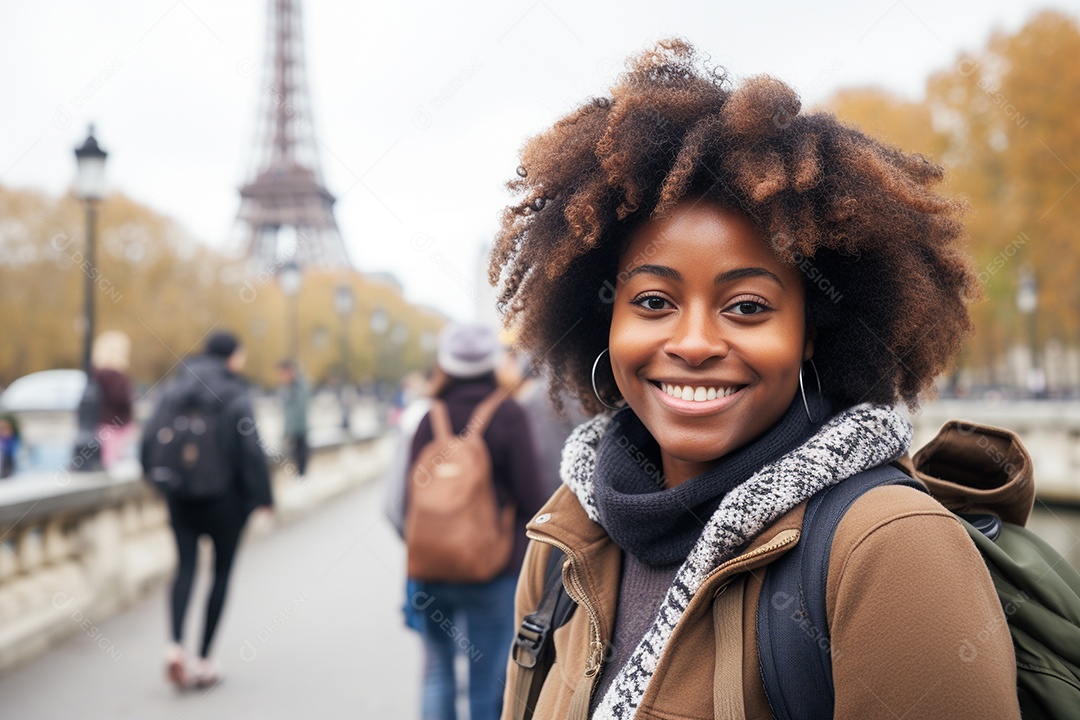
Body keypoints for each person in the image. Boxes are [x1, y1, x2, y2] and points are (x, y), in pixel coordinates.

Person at [490, 40, 1020, 719]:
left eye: (747, 307)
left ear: (811, 334)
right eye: (653, 301)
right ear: (604, 318)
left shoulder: (888, 553)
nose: (694, 343)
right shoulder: (564, 538)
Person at [406, 323, 548, 720]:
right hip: (493, 567)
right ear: (492, 362)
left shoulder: (426, 417)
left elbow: (407, 502)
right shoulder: (507, 414)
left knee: (437, 671)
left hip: (431, 568)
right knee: (488, 678)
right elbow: (532, 497)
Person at [144, 331, 273, 690]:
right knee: (220, 575)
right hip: (225, 501)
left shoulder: (173, 389)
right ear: (232, 357)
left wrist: (158, 484)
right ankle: (203, 661)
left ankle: (174, 648)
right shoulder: (234, 393)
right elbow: (251, 451)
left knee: (184, 568)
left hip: (180, 496)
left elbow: (148, 439)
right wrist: (263, 497)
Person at [91, 330, 136, 469]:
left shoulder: (96, 373)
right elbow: (122, 399)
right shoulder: (113, 376)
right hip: (116, 426)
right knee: (114, 463)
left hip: (103, 424)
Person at [277, 359, 310, 480]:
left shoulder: (299, 387)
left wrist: (288, 433)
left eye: (283, 373)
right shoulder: (288, 388)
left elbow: (297, 411)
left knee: (300, 464)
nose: (281, 377)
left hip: (298, 432)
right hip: (293, 432)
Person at [0, 414, 20, 478]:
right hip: (4, 458)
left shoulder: (13, 439)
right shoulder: (2, 439)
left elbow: (13, 449)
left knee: (8, 470)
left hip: (9, 457)